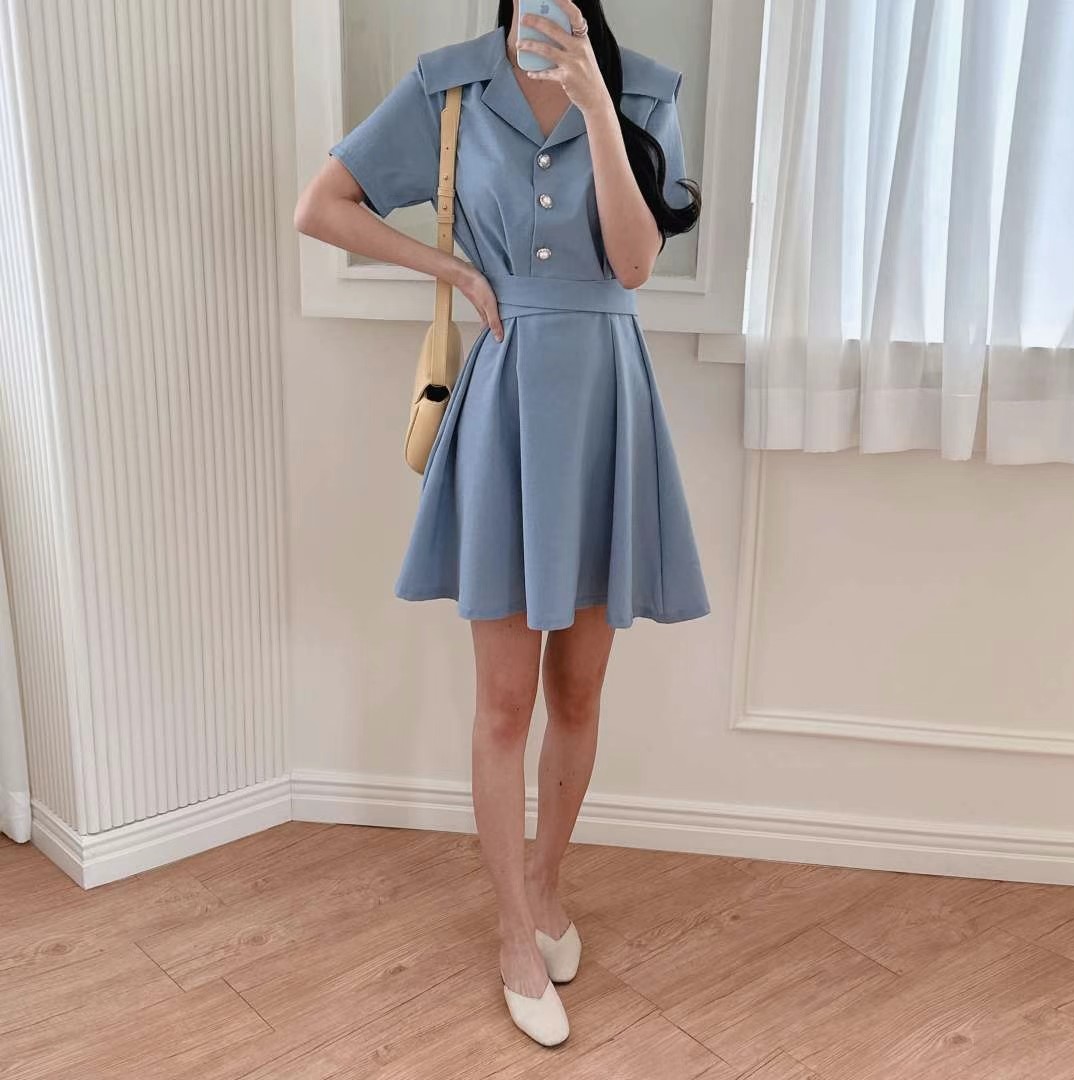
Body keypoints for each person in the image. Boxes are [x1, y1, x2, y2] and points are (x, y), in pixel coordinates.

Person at [294, 0, 710, 1048]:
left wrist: (598, 107)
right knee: (503, 701)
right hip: (509, 396)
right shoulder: (450, 85)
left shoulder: (644, 87)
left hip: (607, 403)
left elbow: (633, 264)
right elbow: (322, 206)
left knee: (579, 689)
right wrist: (454, 271)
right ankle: (514, 931)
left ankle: (547, 883)